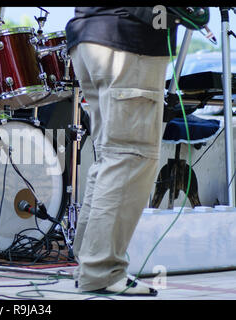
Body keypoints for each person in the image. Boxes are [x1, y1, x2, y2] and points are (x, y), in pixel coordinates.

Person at [65, 7, 177, 296]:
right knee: (129, 157)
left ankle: (89, 264)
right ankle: (102, 271)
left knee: (112, 157)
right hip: (129, 38)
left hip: (90, 36)